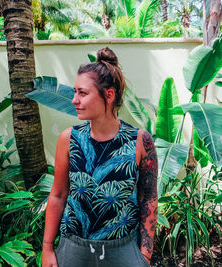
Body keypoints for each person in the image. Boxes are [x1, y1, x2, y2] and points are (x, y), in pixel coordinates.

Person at [42, 47, 158, 267]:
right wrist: (47, 248)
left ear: (109, 95)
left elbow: (148, 199)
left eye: (82, 93)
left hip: (122, 251)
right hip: (73, 251)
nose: (74, 100)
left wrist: (144, 255)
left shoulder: (140, 142)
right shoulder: (69, 139)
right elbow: (57, 195)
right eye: (75, 92)